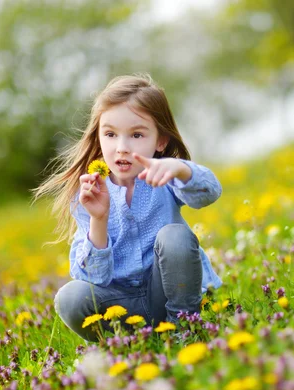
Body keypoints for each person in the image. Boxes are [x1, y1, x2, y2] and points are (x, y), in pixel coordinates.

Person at [32, 74, 222, 341]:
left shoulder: (165, 177)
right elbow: (94, 278)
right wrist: (98, 219)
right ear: (99, 138)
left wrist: (179, 169)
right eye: (110, 134)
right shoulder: (87, 193)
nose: (121, 148)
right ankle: (127, 341)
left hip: (168, 292)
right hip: (120, 304)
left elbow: (209, 192)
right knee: (70, 297)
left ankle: (184, 327)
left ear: (160, 142)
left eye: (136, 134)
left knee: (175, 236)